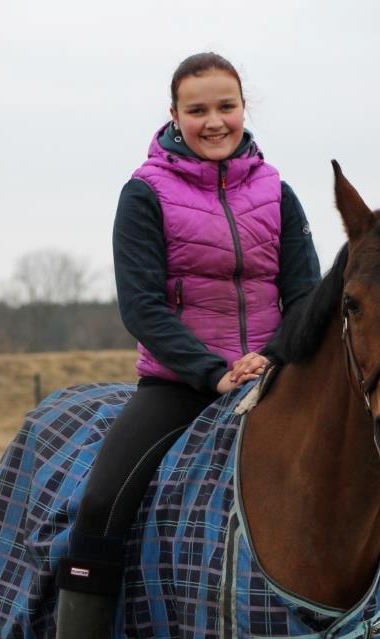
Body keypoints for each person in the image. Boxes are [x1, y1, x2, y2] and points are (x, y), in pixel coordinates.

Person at [54, 52, 321, 638]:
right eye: (197, 110)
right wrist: (214, 372)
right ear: (174, 115)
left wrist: (273, 356)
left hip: (277, 377)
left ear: (244, 108)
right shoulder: (143, 193)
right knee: (99, 506)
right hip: (181, 385)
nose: (214, 121)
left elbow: (306, 295)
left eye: (226, 106)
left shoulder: (279, 192)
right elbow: (142, 307)